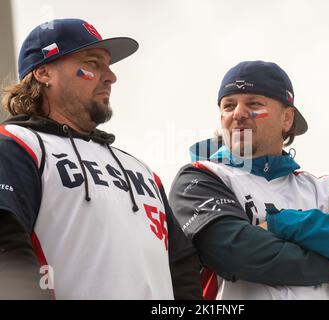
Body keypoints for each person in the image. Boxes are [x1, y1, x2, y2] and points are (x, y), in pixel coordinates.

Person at [0, 18, 191, 299]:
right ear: (43, 73)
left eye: (109, 66)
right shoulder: (16, 145)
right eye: (92, 64)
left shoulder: (141, 169)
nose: (111, 76)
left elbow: (182, 264)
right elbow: (6, 245)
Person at [169, 60, 329, 300]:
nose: (238, 114)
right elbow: (237, 254)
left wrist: (279, 223)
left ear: (287, 119)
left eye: (254, 103)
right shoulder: (200, 176)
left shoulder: (323, 188)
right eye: (228, 105)